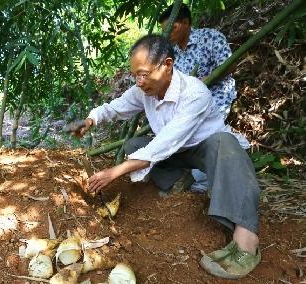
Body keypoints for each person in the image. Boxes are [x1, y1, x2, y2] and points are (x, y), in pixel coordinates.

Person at [73, 35, 261, 279]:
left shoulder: (194, 93)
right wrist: (90, 120)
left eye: (144, 74)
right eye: (135, 76)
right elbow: (115, 107)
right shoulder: (145, 91)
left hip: (210, 151)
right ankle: (183, 180)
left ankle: (247, 241)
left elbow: (164, 143)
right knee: (135, 143)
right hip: (178, 154)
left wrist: (116, 171)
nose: (139, 82)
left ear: (168, 65)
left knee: (224, 143)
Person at [159, 4, 242, 193]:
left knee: (209, 137)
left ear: (186, 23)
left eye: (172, 28)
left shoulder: (210, 37)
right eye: (165, 31)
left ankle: (200, 178)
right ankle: (192, 175)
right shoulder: (173, 55)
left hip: (216, 97)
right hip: (188, 104)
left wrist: (203, 81)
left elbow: (229, 65)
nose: (168, 34)